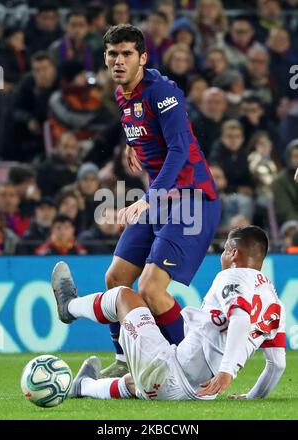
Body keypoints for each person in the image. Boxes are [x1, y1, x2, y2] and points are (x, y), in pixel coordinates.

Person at [98, 24, 221, 377]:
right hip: (161, 201)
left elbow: (181, 149)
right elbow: (141, 125)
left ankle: (194, 370)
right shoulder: (123, 95)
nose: (118, 61)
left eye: (126, 54)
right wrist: (132, 146)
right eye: (112, 54)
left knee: (150, 288)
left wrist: (147, 199)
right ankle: (125, 362)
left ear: (142, 58)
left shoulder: (163, 92)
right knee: (115, 278)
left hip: (192, 199)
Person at [51, 226, 286, 400]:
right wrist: (253, 397)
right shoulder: (275, 301)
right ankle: (83, 387)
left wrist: (227, 371)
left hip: (175, 373)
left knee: (124, 296)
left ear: (234, 253)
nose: (222, 257)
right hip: (200, 393)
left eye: (225, 251)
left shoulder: (233, 276)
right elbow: (276, 365)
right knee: (143, 381)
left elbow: (241, 318)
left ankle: (69, 306)